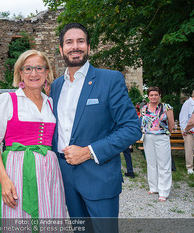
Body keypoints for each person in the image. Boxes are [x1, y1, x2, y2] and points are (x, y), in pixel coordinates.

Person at [49, 23, 141, 230]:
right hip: (65, 177)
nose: (75, 46)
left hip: (99, 176)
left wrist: (89, 152)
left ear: (89, 47)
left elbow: (131, 128)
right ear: (61, 48)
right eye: (69, 42)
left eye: (80, 41)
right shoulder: (55, 86)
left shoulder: (110, 79)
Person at [0, 50, 67, 220]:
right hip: (17, 170)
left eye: (39, 68)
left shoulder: (50, 103)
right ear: (20, 73)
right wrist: (4, 179)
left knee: (48, 216)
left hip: (48, 171)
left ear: (47, 72)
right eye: (28, 69)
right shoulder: (7, 100)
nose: (34, 73)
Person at [140, 86, 174, 202]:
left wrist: (164, 133)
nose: (153, 97)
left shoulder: (166, 107)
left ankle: (164, 191)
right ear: (148, 96)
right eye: (151, 95)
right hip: (148, 137)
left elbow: (171, 124)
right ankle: (153, 187)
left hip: (161, 137)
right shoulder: (144, 108)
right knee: (151, 163)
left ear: (160, 95)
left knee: (164, 164)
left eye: (156, 95)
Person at [179, 88, 194, 174]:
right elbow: (183, 118)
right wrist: (184, 129)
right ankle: (189, 167)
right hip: (188, 130)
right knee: (189, 149)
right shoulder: (187, 103)